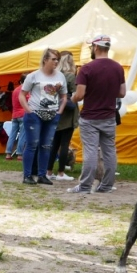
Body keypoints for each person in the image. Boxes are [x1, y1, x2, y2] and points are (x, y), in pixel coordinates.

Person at [67, 35, 126, 194]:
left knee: (91, 152)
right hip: (109, 116)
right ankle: (106, 186)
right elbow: (122, 93)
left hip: (90, 117)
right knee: (109, 152)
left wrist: (71, 98)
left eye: (91, 47)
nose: (91, 49)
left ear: (97, 47)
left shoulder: (86, 69)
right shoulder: (118, 68)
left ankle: (85, 186)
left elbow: (79, 95)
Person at [19, 48, 68, 185]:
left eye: (57, 59)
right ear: (45, 60)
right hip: (35, 113)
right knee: (32, 144)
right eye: (53, 59)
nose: (56, 62)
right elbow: (22, 95)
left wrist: (60, 111)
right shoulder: (33, 76)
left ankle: (42, 175)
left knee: (46, 145)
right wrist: (28, 110)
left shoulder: (60, 76)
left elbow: (64, 96)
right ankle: (27, 175)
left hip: (52, 115)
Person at [50, 51, 78, 181]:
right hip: (67, 114)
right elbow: (76, 95)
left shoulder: (53, 75)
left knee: (54, 144)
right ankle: (61, 172)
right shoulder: (70, 76)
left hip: (55, 112)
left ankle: (49, 171)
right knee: (64, 144)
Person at [5, 76, 28, 159]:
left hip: (14, 115)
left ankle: (8, 154)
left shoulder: (15, 90)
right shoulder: (26, 90)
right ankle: (19, 154)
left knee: (12, 135)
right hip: (23, 114)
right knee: (22, 135)